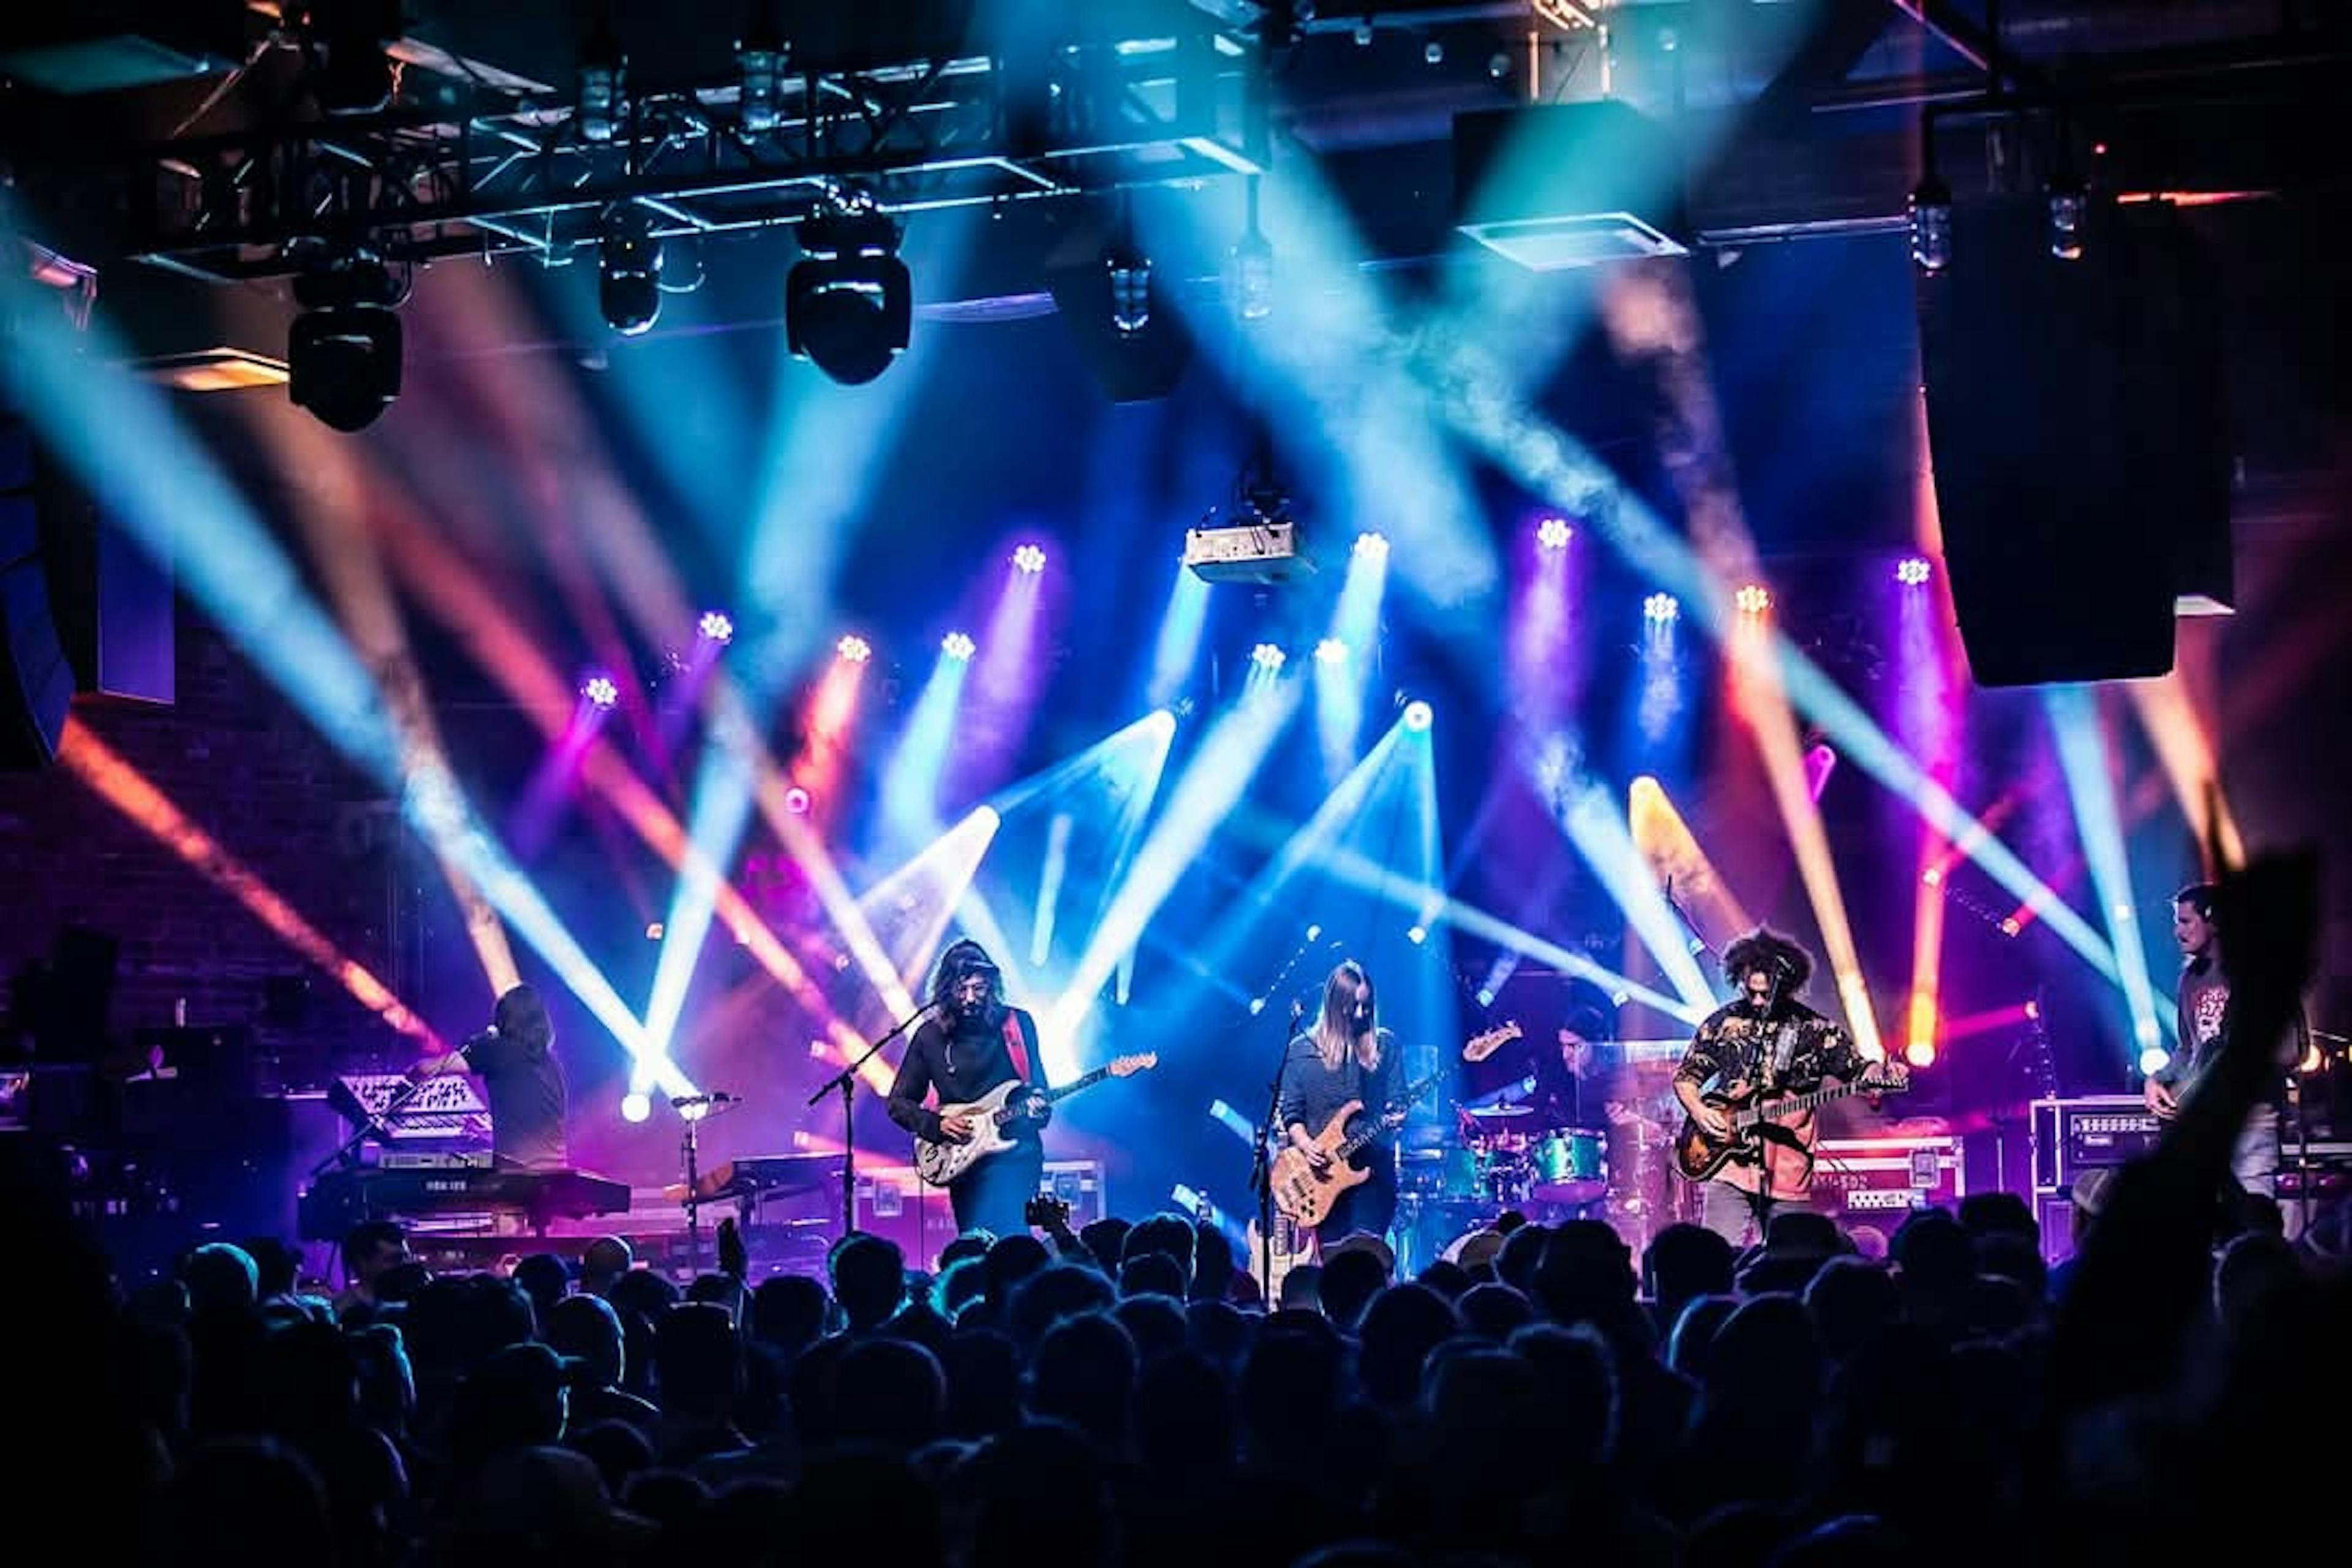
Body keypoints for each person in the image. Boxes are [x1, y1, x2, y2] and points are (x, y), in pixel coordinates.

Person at [1672, 930, 1901, 1248]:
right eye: (1750, 991)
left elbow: (1859, 1071)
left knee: (1789, 1260)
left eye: (1766, 994)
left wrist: (1880, 1075)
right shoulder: (1722, 1023)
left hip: (1788, 1172)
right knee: (1716, 1256)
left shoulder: (1817, 1031)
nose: (1757, 1001)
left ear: (1788, 988)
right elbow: (1686, 1077)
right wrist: (1699, 1109)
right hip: (1728, 1166)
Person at [2145, 883, 2309, 1230]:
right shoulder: (2190, 979)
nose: (2178, 931)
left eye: (2186, 922)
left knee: (2252, 1217)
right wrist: (2157, 1079)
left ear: (2214, 921)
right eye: (2177, 922)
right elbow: (2188, 1049)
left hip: (2250, 1116)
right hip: (2204, 1119)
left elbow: (2294, 1049)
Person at [888, 939, 1054, 1239]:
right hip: (964, 1158)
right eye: (961, 990)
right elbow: (899, 1102)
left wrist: (1040, 1109)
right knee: (976, 1244)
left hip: (1017, 1155)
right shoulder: (931, 1035)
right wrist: (937, 1125)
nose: (970, 998)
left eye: (979, 989)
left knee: (1015, 1241)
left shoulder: (1017, 1024)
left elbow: (1040, 1089)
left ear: (992, 986)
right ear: (945, 990)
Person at [1277, 959, 1403, 1245]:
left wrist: (1397, 1116)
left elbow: (1398, 1101)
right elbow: (1291, 1113)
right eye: (1353, 1006)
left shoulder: (1385, 1046)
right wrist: (1308, 1147)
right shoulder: (1301, 1050)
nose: (1360, 1014)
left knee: (1367, 1256)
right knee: (1334, 1262)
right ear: (1334, 1004)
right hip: (1321, 1177)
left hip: (1372, 1173)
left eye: (1366, 1006)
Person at [409, 982, 570, 1170]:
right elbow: (537, 1124)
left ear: (503, 1019)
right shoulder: (553, 1064)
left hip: (519, 1177)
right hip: (558, 1174)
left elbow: (427, 1069)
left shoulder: (495, 1048)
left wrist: (410, 1074)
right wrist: (489, 1135)